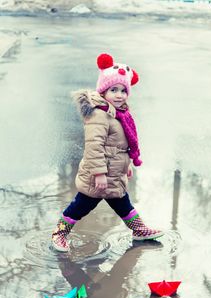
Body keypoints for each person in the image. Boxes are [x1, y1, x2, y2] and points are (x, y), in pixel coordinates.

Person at [52, 53, 163, 252]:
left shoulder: (120, 114)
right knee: (81, 206)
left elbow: (121, 145)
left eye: (123, 90)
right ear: (103, 91)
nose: (119, 95)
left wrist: (127, 164)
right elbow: (94, 146)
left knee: (123, 204)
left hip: (114, 174)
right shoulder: (99, 114)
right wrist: (99, 173)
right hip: (99, 176)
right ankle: (59, 233)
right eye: (114, 90)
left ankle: (138, 230)